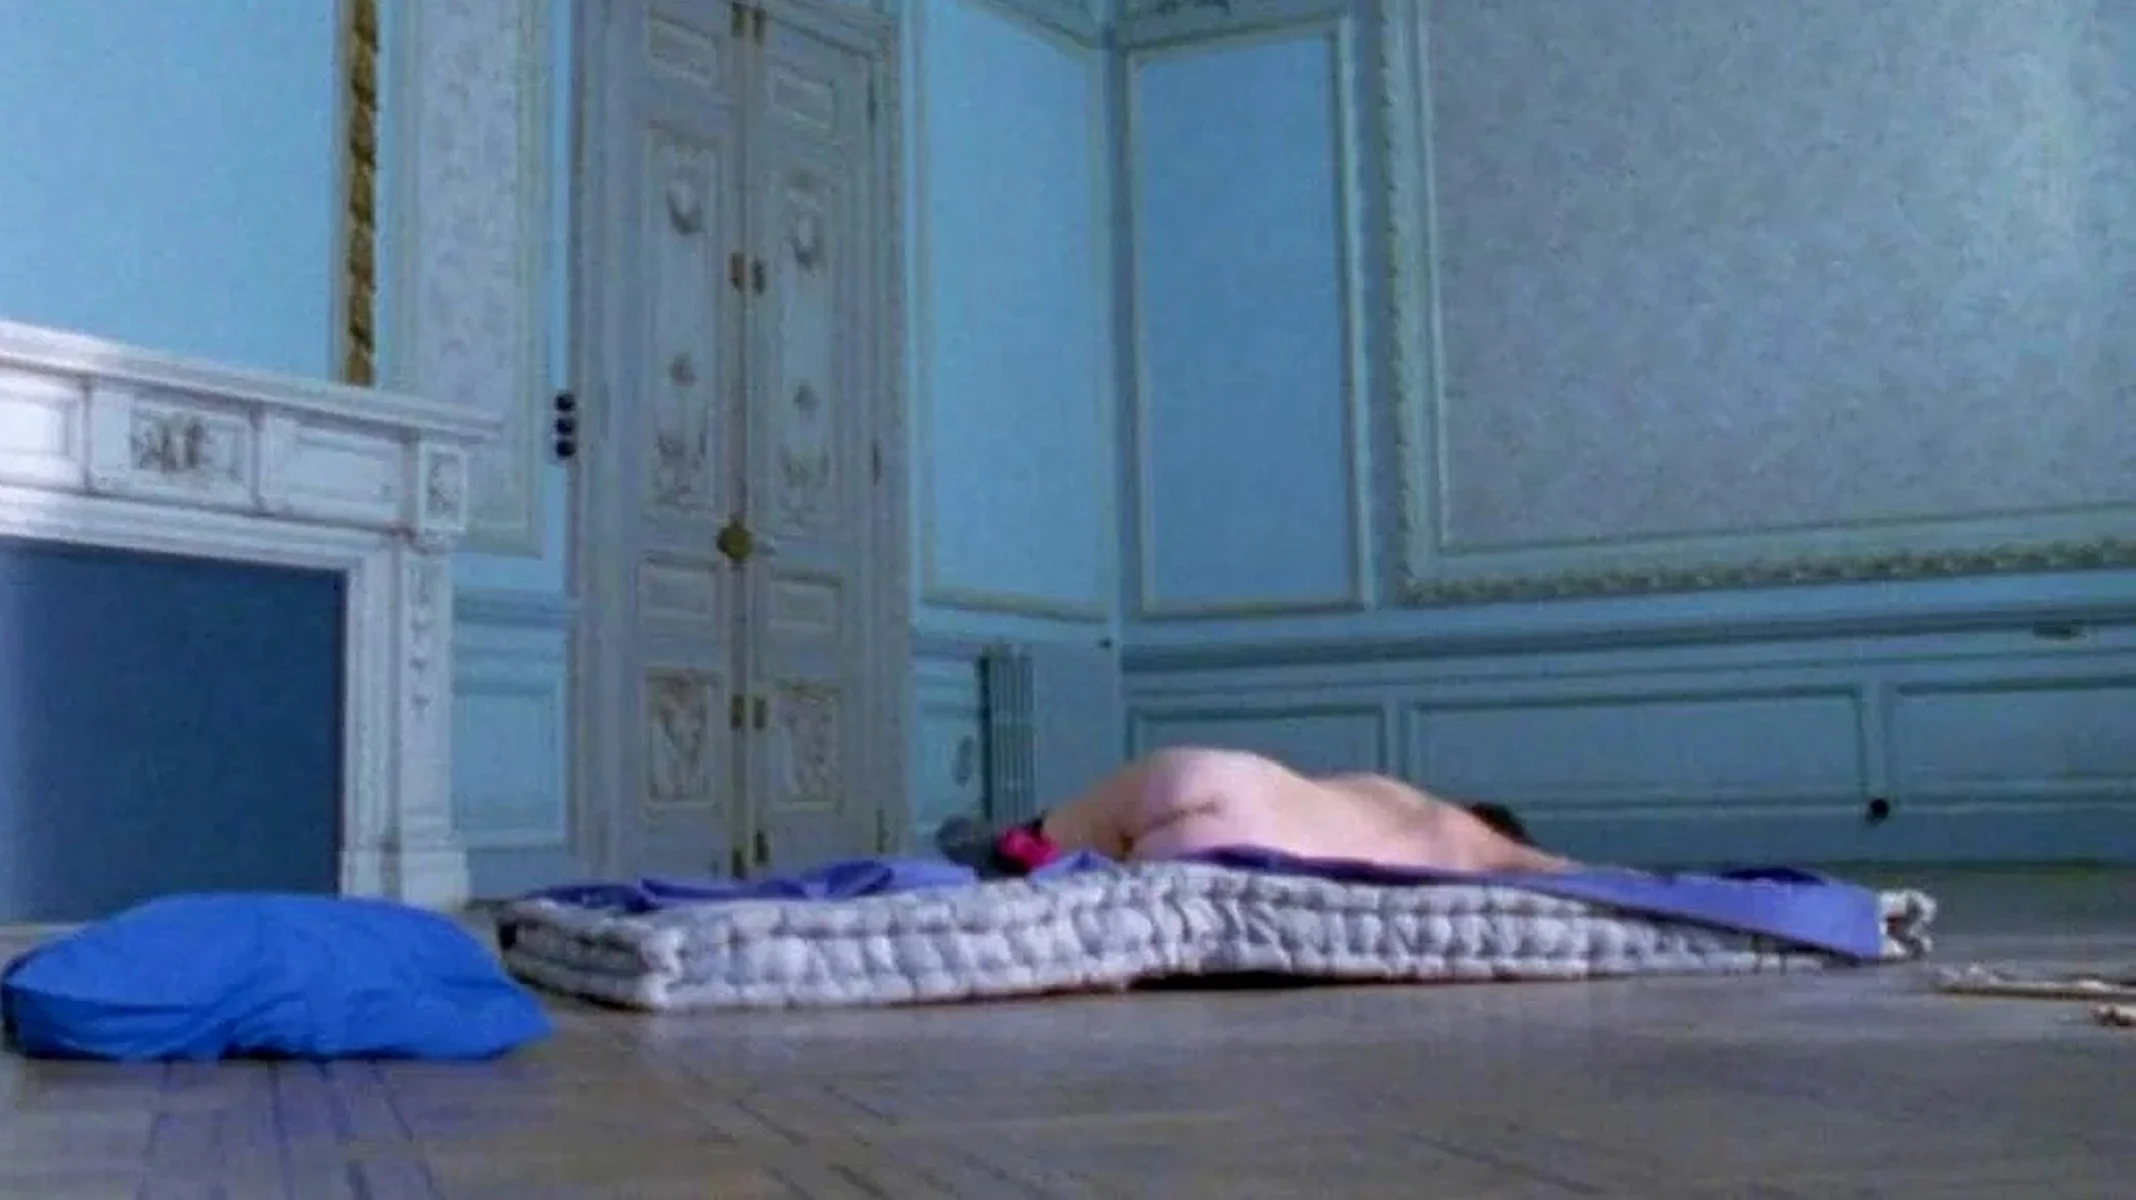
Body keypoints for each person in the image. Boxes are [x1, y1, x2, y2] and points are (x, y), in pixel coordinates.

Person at [944, 746, 1573, 877]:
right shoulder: (1466, 848)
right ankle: (1009, 856)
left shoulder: (1396, 794)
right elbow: (1573, 875)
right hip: (1247, 842)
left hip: (1214, 775)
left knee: (1068, 831)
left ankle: (1012, 846)